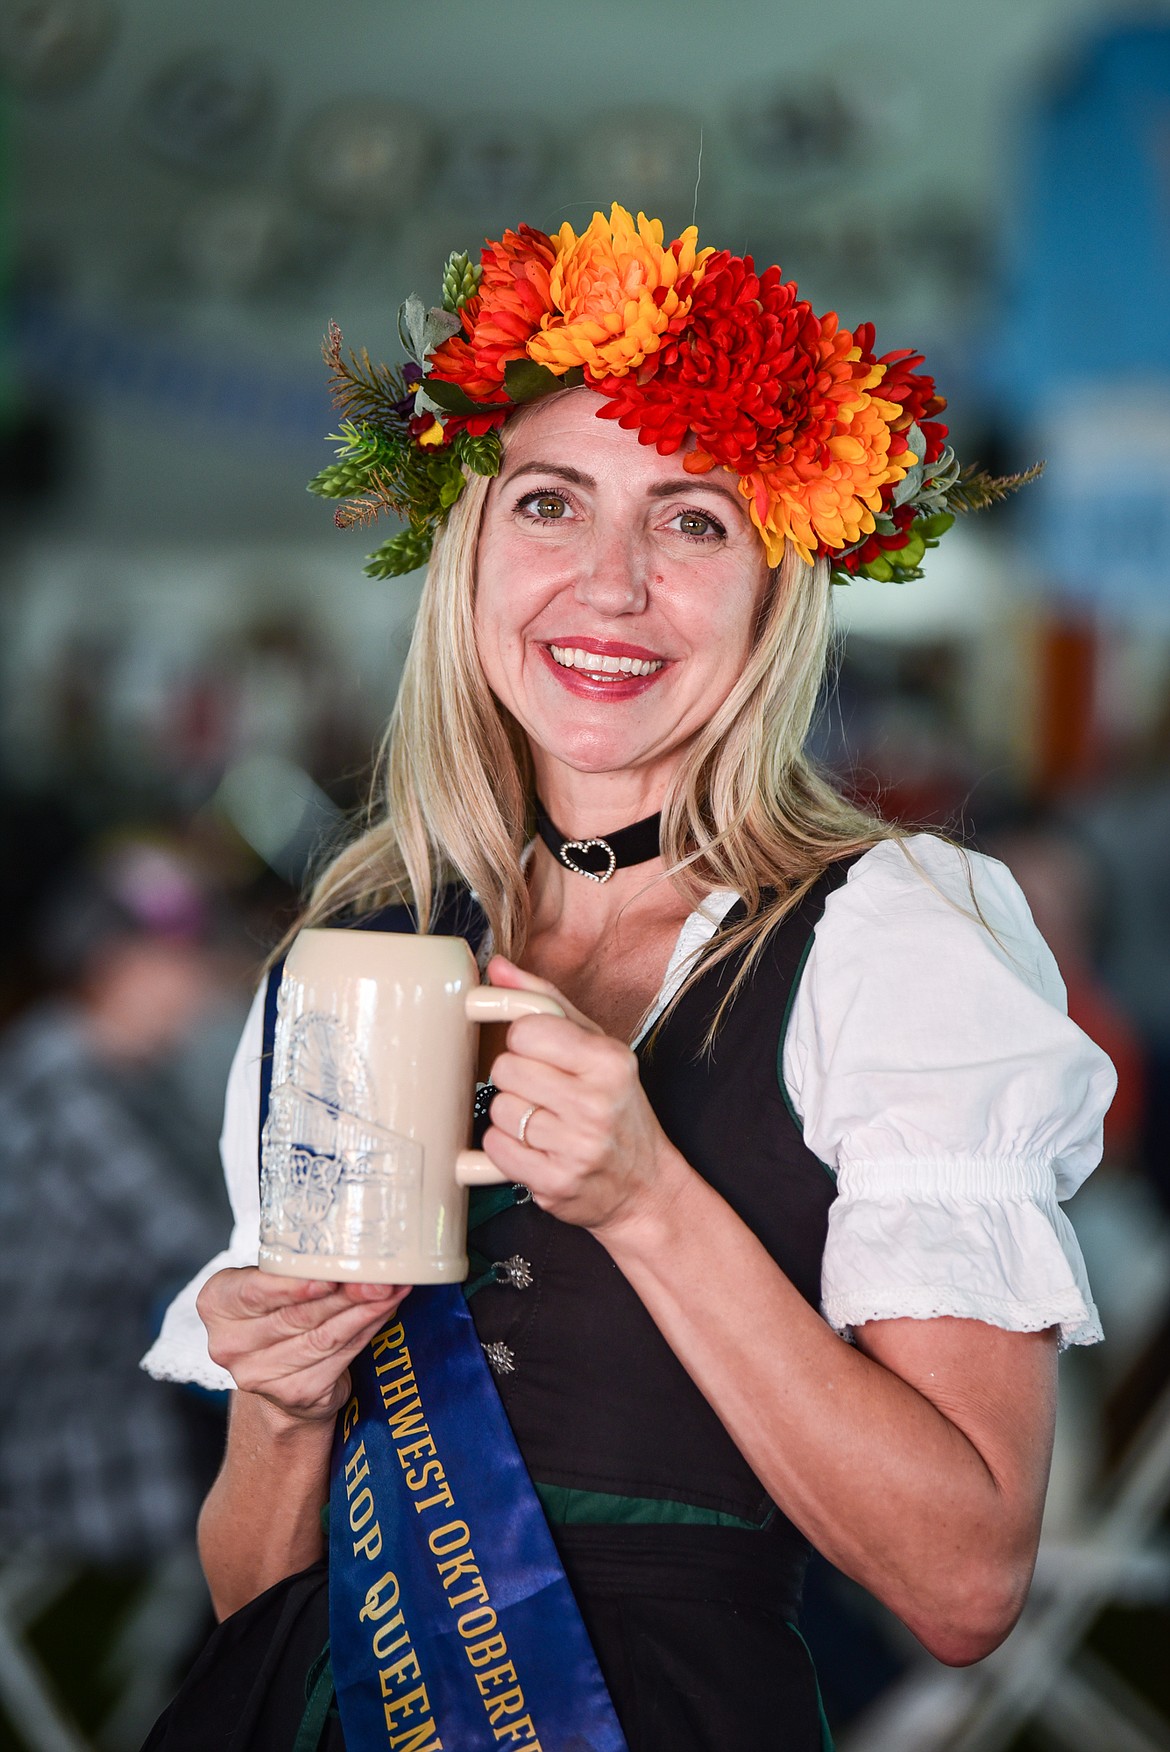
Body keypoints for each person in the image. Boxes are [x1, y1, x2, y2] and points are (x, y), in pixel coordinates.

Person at [142, 205, 1115, 1751]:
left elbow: (963, 1582)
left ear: (771, 586)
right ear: (467, 555)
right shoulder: (357, 949)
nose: (606, 586)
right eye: (548, 503)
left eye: (690, 519)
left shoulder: (899, 933)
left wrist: (648, 1200)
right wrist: (281, 1399)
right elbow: (253, 1596)